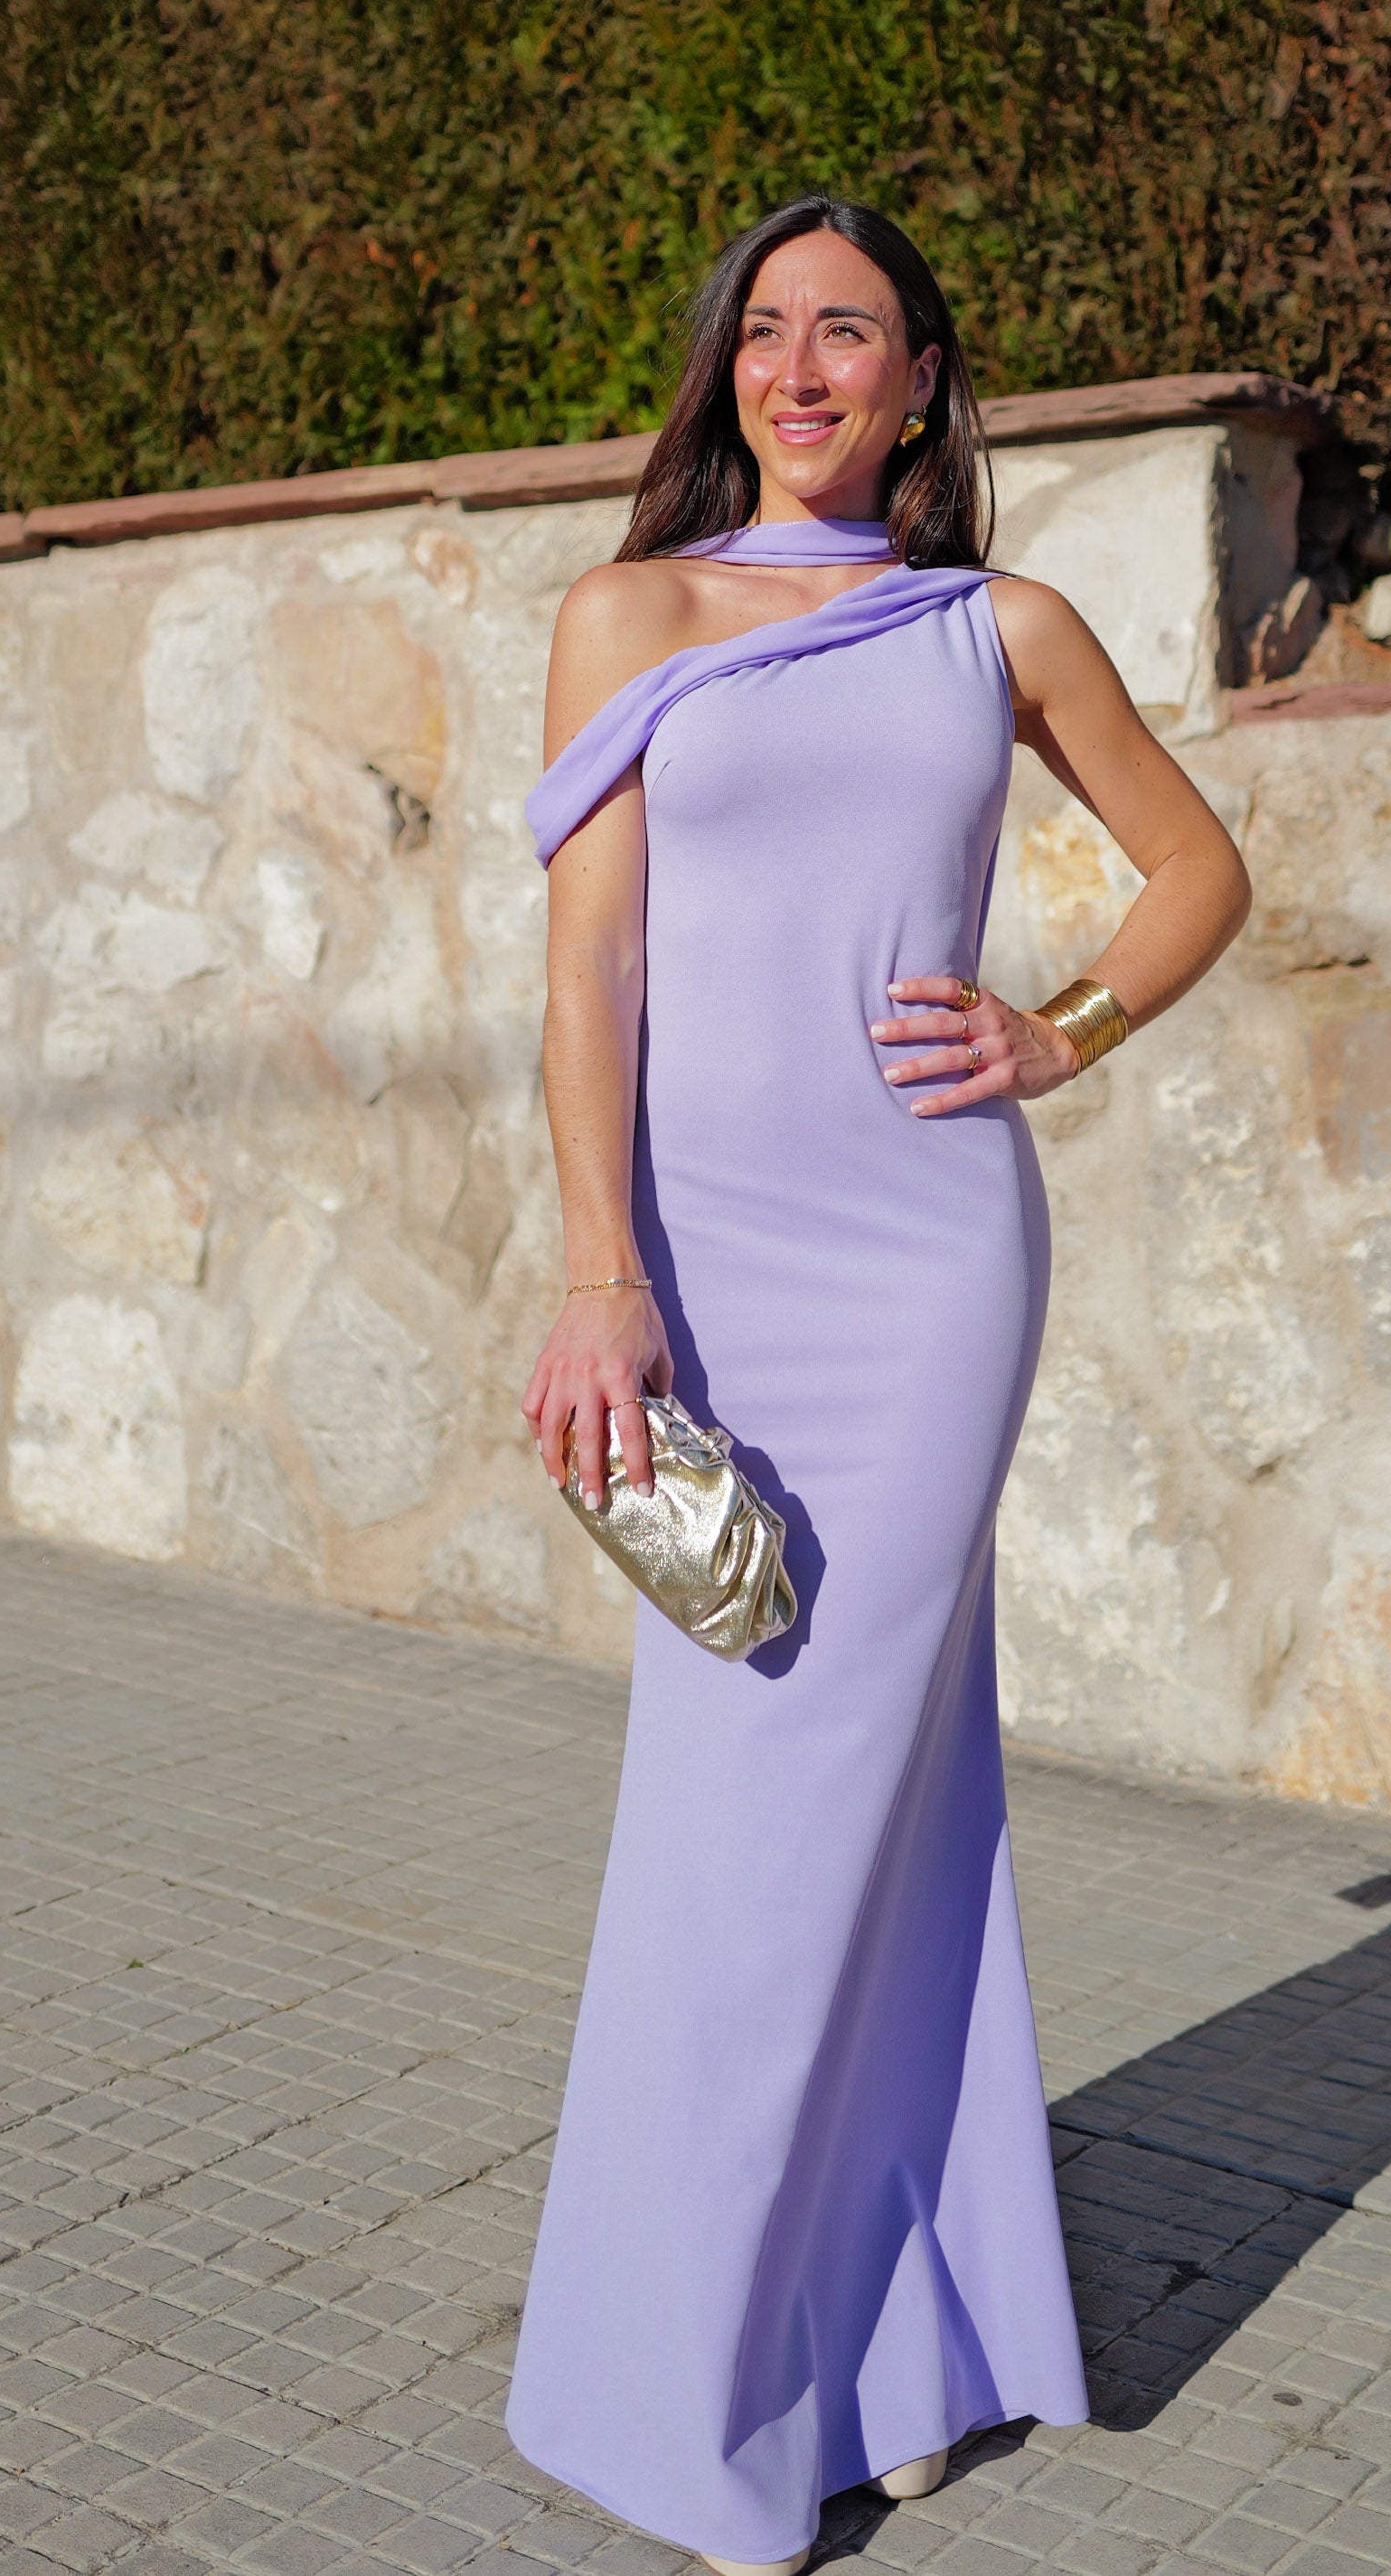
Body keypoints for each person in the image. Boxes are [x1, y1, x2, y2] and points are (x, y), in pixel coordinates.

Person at [506, 195, 1252, 2576]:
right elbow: (590, 977)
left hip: (927, 1269)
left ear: (927, 375)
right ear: (720, 371)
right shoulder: (625, 617)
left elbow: (1192, 866)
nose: (798, 361)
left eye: (848, 329)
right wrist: (600, 1269)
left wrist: (1063, 1028)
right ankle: (830, 2353)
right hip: (706, 1276)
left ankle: (798, 2358)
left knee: (829, 1800)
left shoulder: (993, 629)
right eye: (761, 328)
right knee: (813, 1814)